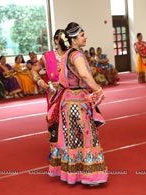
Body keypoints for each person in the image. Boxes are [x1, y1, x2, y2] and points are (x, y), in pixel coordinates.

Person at [48, 22, 108, 186]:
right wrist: (98, 89)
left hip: (67, 101)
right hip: (77, 101)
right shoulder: (77, 55)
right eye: (82, 35)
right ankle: (91, 175)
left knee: (73, 138)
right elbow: (84, 75)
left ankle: (73, 174)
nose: (85, 37)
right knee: (88, 136)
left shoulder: (66, 54)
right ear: (73, 39)